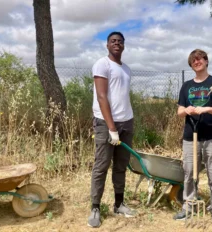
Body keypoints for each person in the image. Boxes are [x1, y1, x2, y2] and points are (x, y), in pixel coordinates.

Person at [88, 31, 136, 228]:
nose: (117, 44)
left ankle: (118, 204)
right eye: (113, 41)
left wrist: (125, 123)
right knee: (101, 166)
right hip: (105, 123)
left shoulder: (126, 69)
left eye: (120, 41)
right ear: (107, 45)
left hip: (127, 122)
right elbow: (101, 96)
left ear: (124, 46)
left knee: (120, 166)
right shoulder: (102, 64)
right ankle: (95, 208)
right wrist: (111, 128)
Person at [173, 49, 212, 222]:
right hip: (190, 137)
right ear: (191, 64)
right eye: (193, 60)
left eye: (200, 59)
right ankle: (188, 206)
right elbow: (179, 111)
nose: (197, 62)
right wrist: (185, 110)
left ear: (206, 61)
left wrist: (207, 109)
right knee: (189, 174)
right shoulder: (187, 86)